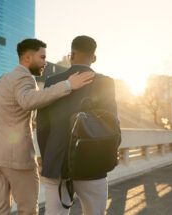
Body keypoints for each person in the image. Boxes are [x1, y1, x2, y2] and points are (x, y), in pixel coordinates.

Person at [0, 38, 95, 215]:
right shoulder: (25, 77)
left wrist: (28, 122)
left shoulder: (3, 79)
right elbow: (27, 100)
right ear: (27, 58)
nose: (45, 63)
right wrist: (68, 84)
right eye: (42, 57)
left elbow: (5, 111)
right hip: (16, 160)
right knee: (28, 211)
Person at [37, 35, 119, 215]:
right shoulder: (105, 82)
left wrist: (48, 156)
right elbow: (113, 125)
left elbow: (42, 127)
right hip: (93, 163)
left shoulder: (53, 82)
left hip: (56, 164)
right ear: (94, 58)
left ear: (71, 55)